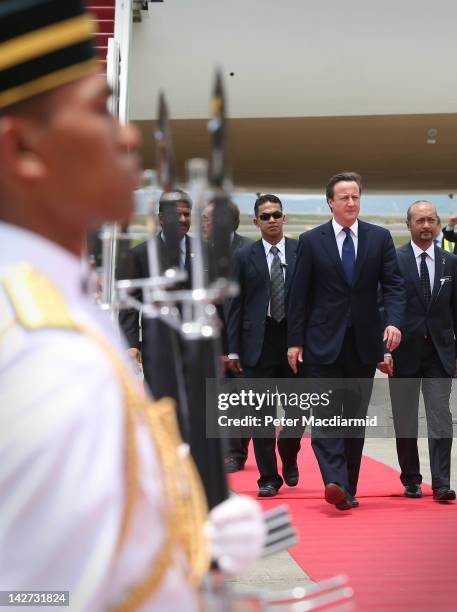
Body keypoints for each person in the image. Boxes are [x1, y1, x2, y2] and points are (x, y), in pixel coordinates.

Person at [0, 1, 265, 609]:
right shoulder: (39, 353)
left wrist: (188, 544)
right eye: (98, 108)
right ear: (24, 152)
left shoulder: (55, 305)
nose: (127, 133)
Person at [287, 172, 405, 510]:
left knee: (353, 421)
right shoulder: (311, 241)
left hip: (363, 344)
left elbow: (394, 286)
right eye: (344, 197)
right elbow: (299, 295)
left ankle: (346, 489)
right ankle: (334, 481)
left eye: (355, 196)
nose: (351, 202)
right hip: (321, 343)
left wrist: (394, 322)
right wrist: (295, 341)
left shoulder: (379, 238)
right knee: (326, 418)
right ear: (330, 202)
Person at [378, 201, 456, 501]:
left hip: (440, 352)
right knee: (405, 417)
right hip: (403, 353)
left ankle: (441, 483)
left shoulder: (451, 262)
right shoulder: (393, 261)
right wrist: (382, 350)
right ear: (408, 225)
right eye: (420, 221)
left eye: (431, 221)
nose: (426, 226)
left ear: (437, 224)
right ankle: (411, 478)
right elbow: (381, 307)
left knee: (440, 415)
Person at [226, 195, 300, 497]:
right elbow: (235, 305)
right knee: (261, 416)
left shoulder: (300, 251)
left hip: (294, 343)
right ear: (256, 221)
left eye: (276, 215)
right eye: (265, 216)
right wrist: (232, 349)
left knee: (298, 413)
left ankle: (289, 450)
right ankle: (268, 478)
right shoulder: (245, 256)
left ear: (284, 218)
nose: (271, 220)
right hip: (257, 344)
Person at [119, 190, 193, 401]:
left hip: (197, 347)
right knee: (161, 410)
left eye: (187, 214)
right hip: (158, 348)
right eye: (176, 214)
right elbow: (129, 304)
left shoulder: (203, 251)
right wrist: (131, 345)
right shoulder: (140, 254)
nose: (182, 219)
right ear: (161, 218)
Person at [203, 199, 254, 473]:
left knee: (241, 399)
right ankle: (225, 449)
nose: (203, 224)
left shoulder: (248, 250)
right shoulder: (199, 253)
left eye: (208, 219)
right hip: (212, 338)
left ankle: (236, 452)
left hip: (244, 341)